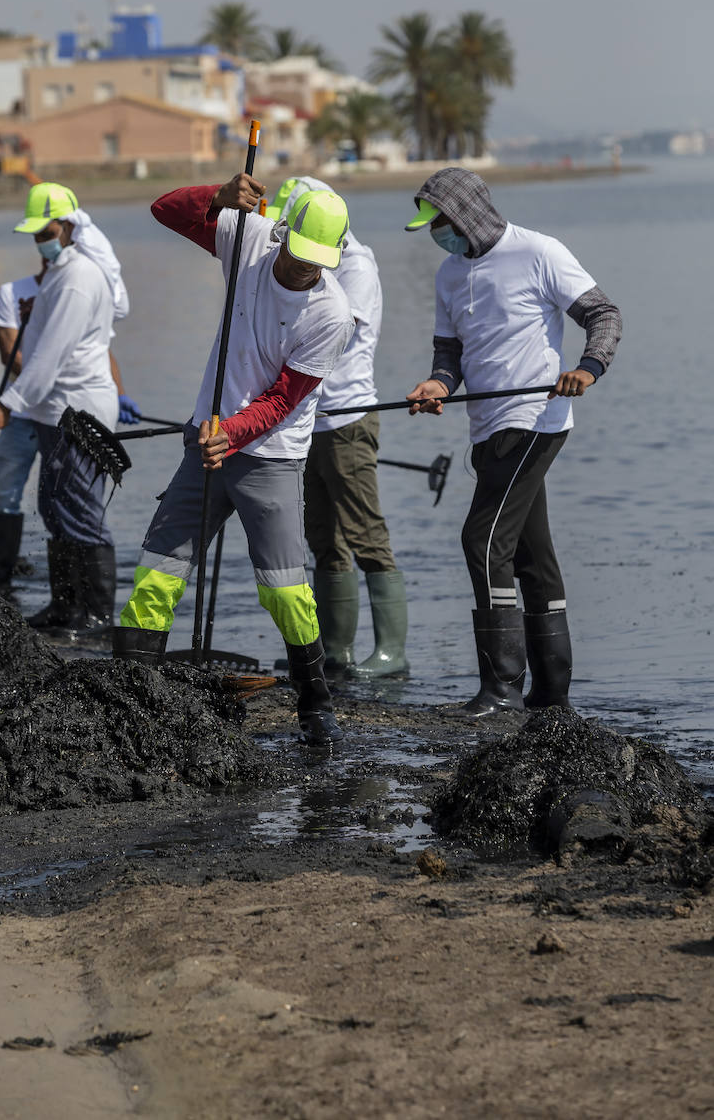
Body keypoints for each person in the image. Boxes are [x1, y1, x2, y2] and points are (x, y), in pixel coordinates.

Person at [113, 173, 355, 746]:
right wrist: (217, 196)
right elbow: (165, 209)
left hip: (270, 456)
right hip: (206, 444)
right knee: (158, 570)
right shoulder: (250, 237)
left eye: (319, 260)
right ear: (282, 234)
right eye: (299, 254)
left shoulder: (332, 314)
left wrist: (234, 432)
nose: (306, 268)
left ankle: (315, 703)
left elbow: (284, 399)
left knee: (283, 588)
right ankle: (125, 695)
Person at [404, 167, 622, 716]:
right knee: (529, 554)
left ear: (469, 214)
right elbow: (449, 354)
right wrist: (437, 384)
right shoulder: (449, 275)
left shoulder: (539, 252)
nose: (437, 234)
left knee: (482, 540)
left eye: (443, 223)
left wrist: (588, 368)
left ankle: (501, 688)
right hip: (487, 426)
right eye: (432, 227)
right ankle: (551, 696)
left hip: (536, 418)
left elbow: (603, 314)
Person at [266, 177, 406, 679]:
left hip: (347, 418)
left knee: (366, 533)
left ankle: (392, 654)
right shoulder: (305, 264)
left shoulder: (357, 265)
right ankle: (337, 650)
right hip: (310, 420)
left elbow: (335, 337)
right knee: (323, 537)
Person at [0, 184, 139, 591]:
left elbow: (48, 358)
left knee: (81, 514)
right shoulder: (61, 274)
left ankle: (93, 615)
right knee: (54, 508)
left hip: (77, 413)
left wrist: (6, 405)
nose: (40, 241)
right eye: (35, 235)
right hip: (55, 412)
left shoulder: (77, 279)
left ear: (69, 228)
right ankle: (66, 605)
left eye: (46, 232)